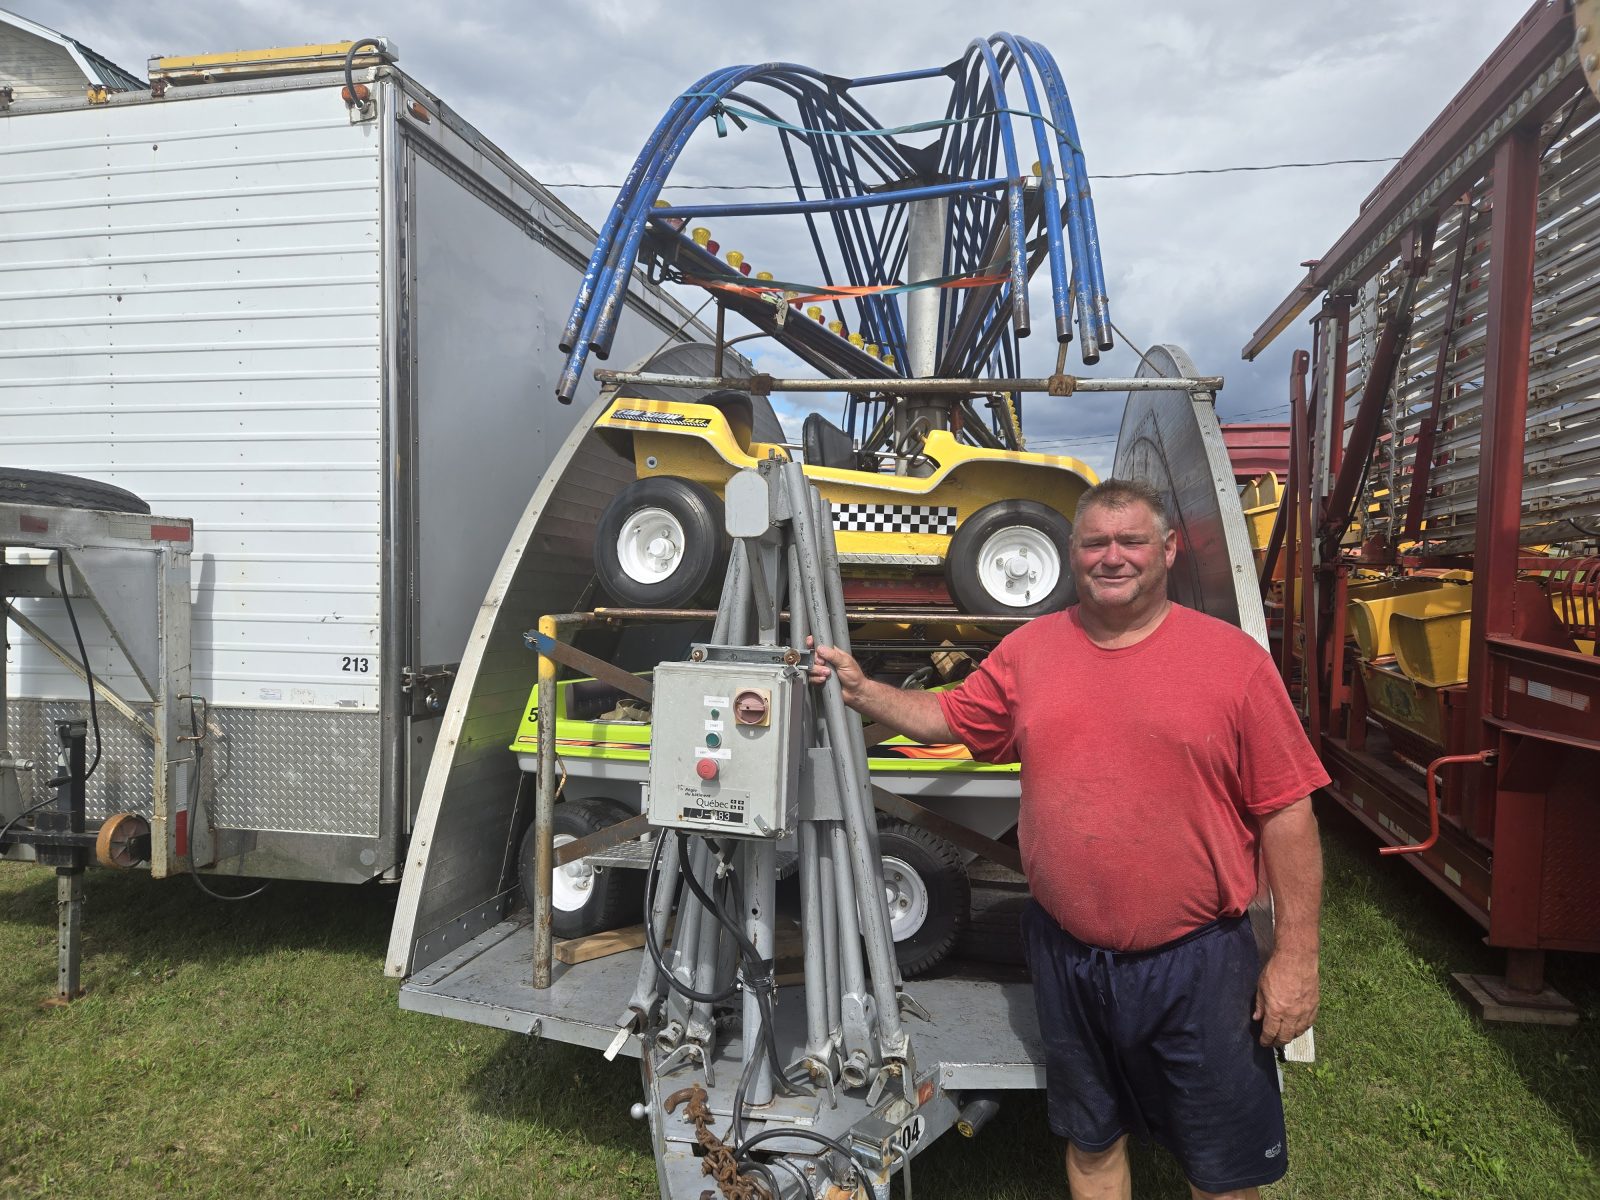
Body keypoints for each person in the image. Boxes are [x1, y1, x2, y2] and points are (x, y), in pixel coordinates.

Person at [809, 478, 1328, 1200]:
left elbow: (1289, 814)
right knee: (1093, 1141)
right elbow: (948, 718)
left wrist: (1296, 957)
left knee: (1220, 1168)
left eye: (1131, 541)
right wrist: (864, 690)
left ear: (1168, 550)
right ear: (1072, 552)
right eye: (1095, 543)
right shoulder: (1031, 652)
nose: (1112, 557)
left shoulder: (1232, 662)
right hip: (1069, 957)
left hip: (1199, 963)